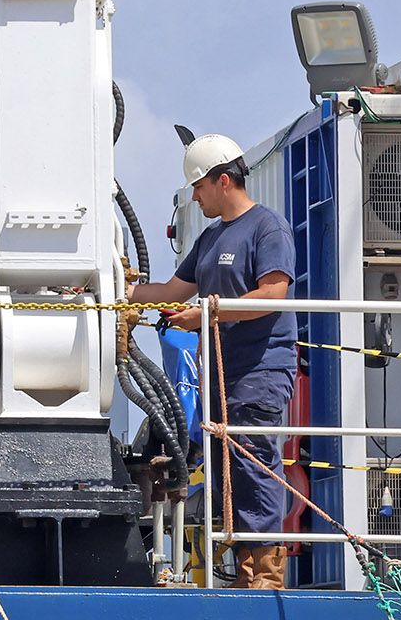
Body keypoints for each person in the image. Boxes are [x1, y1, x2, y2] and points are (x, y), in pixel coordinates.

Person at [128, 134, 297, 590]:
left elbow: (273, 294)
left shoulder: (267, 227)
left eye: (199, 188)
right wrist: (122, 293)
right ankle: (248, 569)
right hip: (223, 373)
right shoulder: (211, 238)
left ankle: (266, 573)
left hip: (259, 369)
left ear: (224, 181)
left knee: (251, 458)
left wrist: (206, 313)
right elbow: (171, 292)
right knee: (228, 463)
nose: (196, 196)